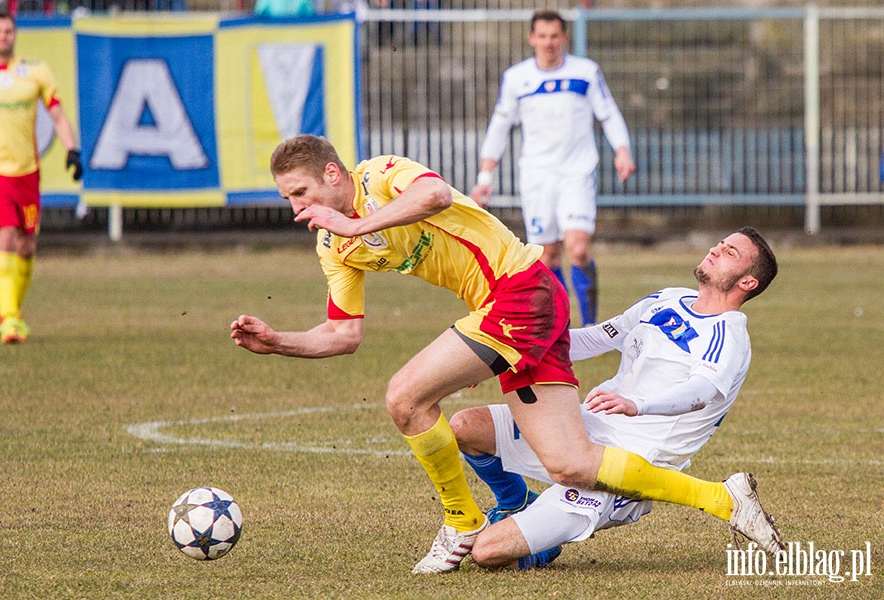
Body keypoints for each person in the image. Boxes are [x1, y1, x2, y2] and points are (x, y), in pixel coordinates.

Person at [230, 135, 780, 574]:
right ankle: (722, 500)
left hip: (519, 289)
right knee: (568, 462)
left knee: (404, 396)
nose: (297, 209)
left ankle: (460, 519)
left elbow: (436, 196)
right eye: (288, 200)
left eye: (300, 193)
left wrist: (355, 221)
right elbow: (341, 334)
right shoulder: (334, 244)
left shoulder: (379, 175)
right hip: (520, 310)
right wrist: (278, 341)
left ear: (332, 173)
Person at [450, 227, 781, 569]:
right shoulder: (667, 299)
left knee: (486, 551)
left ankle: (542, 545)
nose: (715, 249)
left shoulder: (728, 334)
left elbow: (699, 393)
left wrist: (638, 406)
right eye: (720, 243)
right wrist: (501, 351)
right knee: (466, 426)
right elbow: (596, 338)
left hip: (628, 466)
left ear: (747, 282)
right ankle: (515, 502)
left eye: (730, 253)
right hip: (585, 429)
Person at [471, 9, 636, 327]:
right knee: (547, 255)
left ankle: (589, 326)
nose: (548, 43)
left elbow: (608, 112)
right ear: (532, 38)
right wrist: (485, 177)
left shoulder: (585, 72)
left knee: (577, 248)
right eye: (542, 36)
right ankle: (562, 329)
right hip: (537, 175)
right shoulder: (518, 78)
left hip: (577, 171)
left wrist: (622, 151)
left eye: (554, 36)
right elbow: (500, 126)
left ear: (564, 38)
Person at [0, 8, 82, 344]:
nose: (3, 37)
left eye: (8, 31)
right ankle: (8, 320)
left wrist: (72, 149)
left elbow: (57, 113)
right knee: (6, 236)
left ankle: (13, 311)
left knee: (26, 246)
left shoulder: (35, 72)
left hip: (28, 173)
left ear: (15, 34)